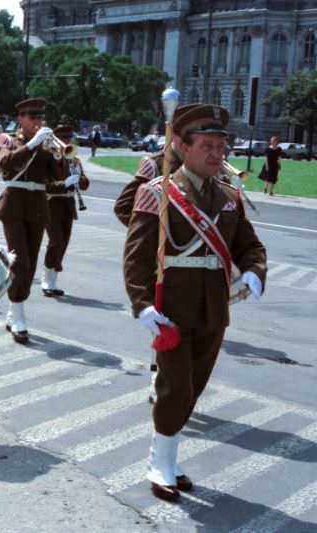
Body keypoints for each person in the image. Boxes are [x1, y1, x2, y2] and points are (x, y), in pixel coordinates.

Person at [123, 104, 266, 502]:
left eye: (221, 146)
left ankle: (168, 454)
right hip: (171, 307)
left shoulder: (229, 195)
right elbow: (136, 255)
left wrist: (254, 270)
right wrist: (141, 305)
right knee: (176, 388)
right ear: (183, 148)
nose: (217, 154)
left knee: (194, 388)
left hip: (213, 310)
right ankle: (161, 462)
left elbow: (250, 245)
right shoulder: (158, 193)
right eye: (207, 146)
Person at [0, 98, 56, 344]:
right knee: (20, 261)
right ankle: (18, 314)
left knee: (30, 265)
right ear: (20, 118)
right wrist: (32, 144)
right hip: (14, 205)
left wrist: (60, 155)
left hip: (37, 208)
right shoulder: (7, 140)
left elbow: (55, 175)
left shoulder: (45, 145)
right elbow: (5, 163)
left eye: (40, 117)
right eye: (32, 117)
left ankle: (14, 306)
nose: (38, 122)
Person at [114, 104, 197, 227]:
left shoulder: (204, 165)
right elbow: (123, 207)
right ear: (172, 132)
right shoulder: (155, 164)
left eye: (192, 136)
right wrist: (153, 233)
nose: (186, 141)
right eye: (182, 134)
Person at [41, 125, 89, 297]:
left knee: (63, 244)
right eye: (63, 138)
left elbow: (85, 184)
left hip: (68, 205)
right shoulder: (48, 158)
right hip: (51, 204)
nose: (67, 142)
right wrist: (65, 183)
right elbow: (45, 185)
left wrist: (79, 178)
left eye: (69, 138)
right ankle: (46, 279)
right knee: (56, 242)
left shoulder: (73, 159)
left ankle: (53, 282)